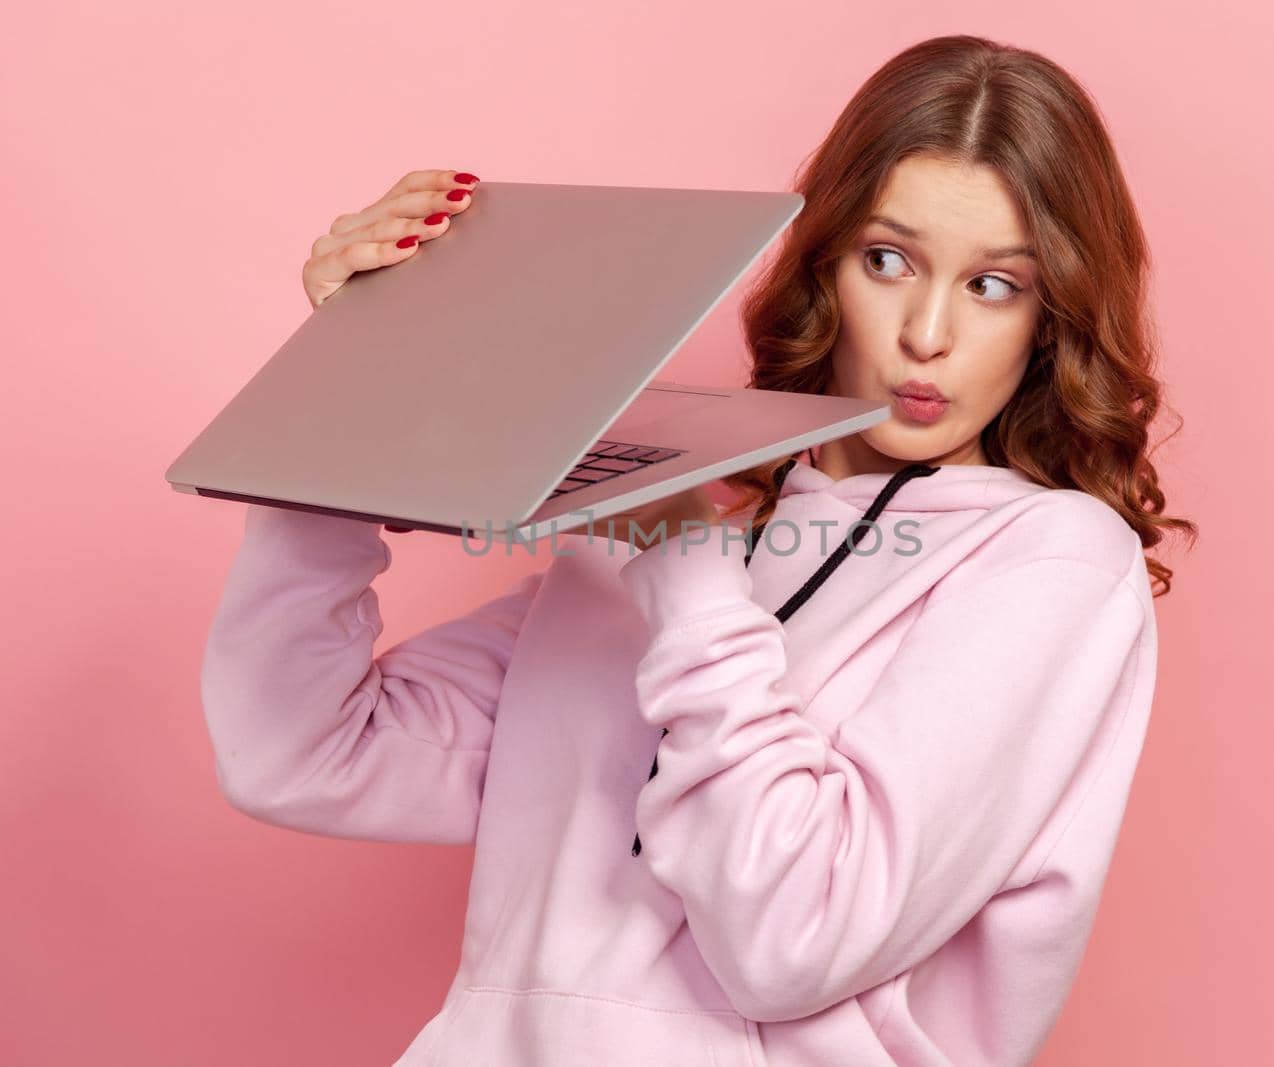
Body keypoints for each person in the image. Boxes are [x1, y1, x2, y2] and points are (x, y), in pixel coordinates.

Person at [202, 33, 1196, 1067]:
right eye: (887, 260)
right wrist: (341, 389)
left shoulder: (1048, 562)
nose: (927, 332)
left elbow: (794, 940)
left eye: (995, 285)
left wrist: (684, 564)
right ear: (826, 265)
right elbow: (297, 753)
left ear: (1050, 316)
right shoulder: (658, 546)